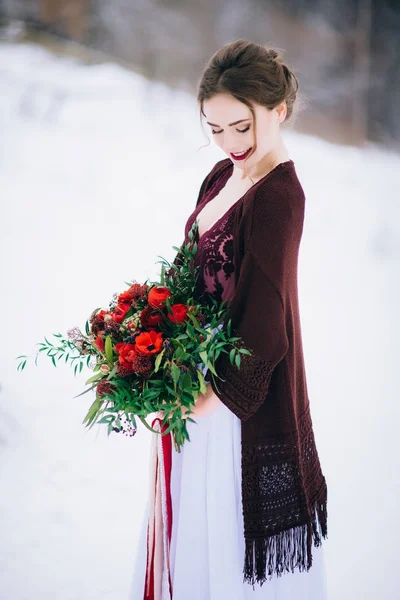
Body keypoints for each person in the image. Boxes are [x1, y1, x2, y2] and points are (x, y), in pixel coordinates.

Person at [130, 39, 328, 600]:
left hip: (232, 399)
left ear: (278, 111)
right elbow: (192, 273)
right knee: (189, 531)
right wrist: (149, 342)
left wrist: (202, 397)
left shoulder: (279, 196)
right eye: (215, 128)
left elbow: (268, 324)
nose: (230, 143)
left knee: (217, 538)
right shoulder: (221, 175)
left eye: (242, 127)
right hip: (191, 377)